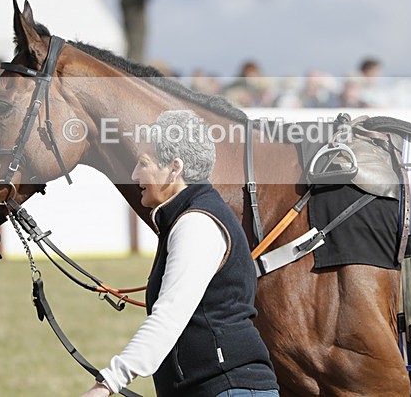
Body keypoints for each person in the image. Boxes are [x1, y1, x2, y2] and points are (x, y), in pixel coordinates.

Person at [82, 110, 279, 397]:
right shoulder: (188, 217)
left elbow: (168, 317)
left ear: (174, 168)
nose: (135, 175)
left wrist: (106, 384)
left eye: (143, 163)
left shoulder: (196, 224)